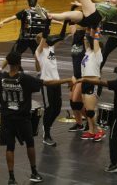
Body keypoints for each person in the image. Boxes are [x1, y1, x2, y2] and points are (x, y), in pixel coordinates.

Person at [0, 51, 73, 185]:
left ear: (8, 63)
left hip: (7, 118)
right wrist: (67, 80)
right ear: (19, 63)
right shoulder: (26, 79)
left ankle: (11, 178)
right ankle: (33, 172)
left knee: (10, 147)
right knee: (30, 144)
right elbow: (47, 83)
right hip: (23, 118)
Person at [35, 18, 66, 146]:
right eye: (45, 38)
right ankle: (46, 134)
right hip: (47, 83)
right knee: (49, 108)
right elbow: (45, 35)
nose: (49, 38)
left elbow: (62, 37)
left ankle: (47, 127)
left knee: (57, 109)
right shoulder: (39, 51)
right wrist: (47, 23)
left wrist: (66, 23)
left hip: (56, 81)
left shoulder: (51, 48)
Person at [0, 0, 51, 70]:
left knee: (12, 55)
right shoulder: (41, 12)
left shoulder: (25, 12)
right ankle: (39, 74)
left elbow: (12, 17)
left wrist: (3, 21)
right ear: (36, 2)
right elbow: (50, 21)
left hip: (24, 39)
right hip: (35, 40)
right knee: (38, 57)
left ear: (28, 3)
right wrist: (60, 22)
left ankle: (0, 69)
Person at [79, 28, 106, 142]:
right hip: (84, 82)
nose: (86, 42)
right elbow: (86, 39)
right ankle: (91, 131)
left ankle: (99, 130)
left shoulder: (97, 54)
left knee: (90, 111)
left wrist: (98, 29)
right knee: (87, 110)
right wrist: (88, 30)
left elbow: (95, 40)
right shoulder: (88, 52)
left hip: (93, 83)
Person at [67, 24, 86, 132]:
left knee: (76, 102)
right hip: (75, 75)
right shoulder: (74, 43)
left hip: (83, 77)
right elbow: (72, 24)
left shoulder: (86, 43)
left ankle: (90, 120)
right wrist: (72, 10)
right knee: (72, 102)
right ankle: (79, 124)